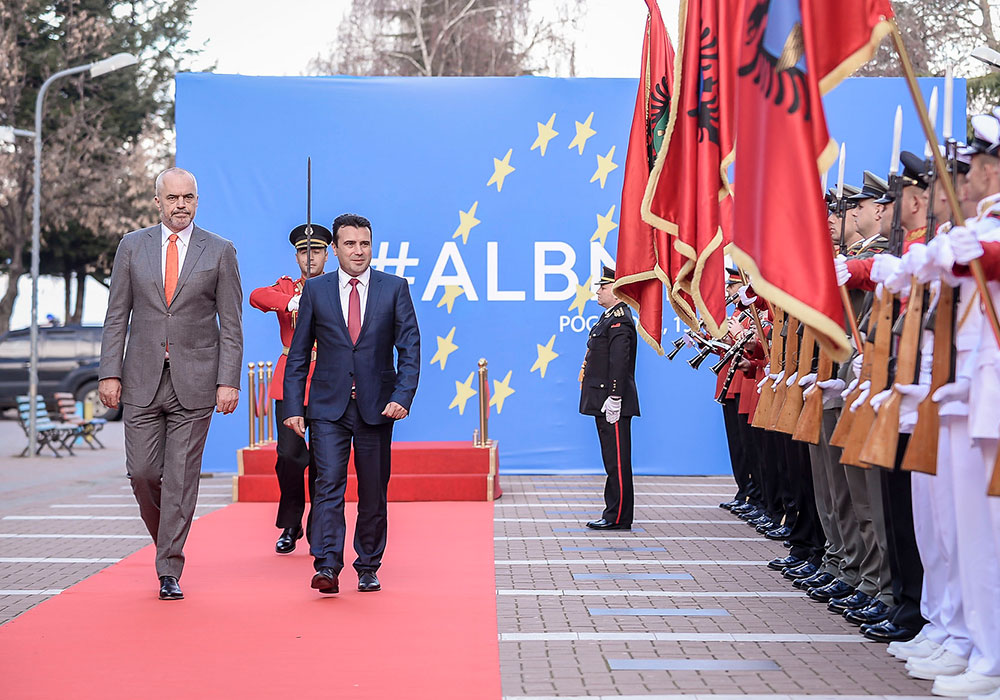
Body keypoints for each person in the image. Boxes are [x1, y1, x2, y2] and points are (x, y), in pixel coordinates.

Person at [98, 167, 243, 601]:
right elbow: (116, 315)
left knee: (180, 479)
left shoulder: (219, 251)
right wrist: (109, 372)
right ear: (157, 201)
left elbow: (231, 325)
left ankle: (168, 568)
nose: (181, 205)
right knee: (143, 474)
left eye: (189, 198)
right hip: (140, 377)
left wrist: (227, 381)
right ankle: (168, 538)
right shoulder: (131, 246)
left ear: (197, 201)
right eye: (173, 198)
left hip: (196, 382)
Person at [283, 213, 420, 596]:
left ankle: (368, 565)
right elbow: (298, 355)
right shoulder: (316, 290)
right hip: (327, 408)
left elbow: (410, 348)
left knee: (374, 490)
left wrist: (401, 397)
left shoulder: (394, 288)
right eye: (350, 244)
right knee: (328, 486)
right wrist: (295, 405)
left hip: (377, 408)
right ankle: (327, 564)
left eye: (365, 244)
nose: (358, 251)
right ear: (335, 248)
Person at [249, 223, 332, 554]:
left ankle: (318, 525)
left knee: (325, 461)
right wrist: (292, 302)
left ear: (329, 254)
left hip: (328, 379)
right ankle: (291, 521)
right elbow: (258, 297)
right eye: (303, 251)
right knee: (289, 456)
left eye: (316, 251)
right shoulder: (287, 287)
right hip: (292, 381)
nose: (309, 257)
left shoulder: (336, 287)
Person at [579, 265, 639, 530]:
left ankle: (618, 516)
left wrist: (615, 396)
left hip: (612, 401)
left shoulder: (620, 320)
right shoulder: (607, 318)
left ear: (617, 291)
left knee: (617, 461)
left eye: (603, 287)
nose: (598, 291)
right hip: (603, 399)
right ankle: (613, 512)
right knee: (611, 460)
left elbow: (619, 363)